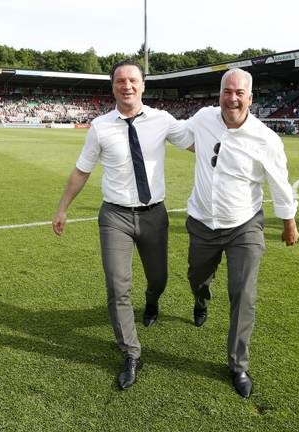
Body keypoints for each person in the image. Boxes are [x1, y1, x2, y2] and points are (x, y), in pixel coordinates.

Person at [52, 60, 191, 390]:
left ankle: (153, 301)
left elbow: (197, 143)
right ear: (112, 86)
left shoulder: (163, 120)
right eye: (119, 81)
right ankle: (131, 353)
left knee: (159, 279)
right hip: (114, 216)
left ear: (143, 85)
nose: (126, 86)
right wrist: (61, 209)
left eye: (132, 80)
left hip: (154, 214)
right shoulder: (100, 126)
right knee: (117, 287)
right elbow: (82, 171)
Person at [182, 68, 299, 398]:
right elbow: (180, 135)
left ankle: (238, 365)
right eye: (226, 91)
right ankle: (201, 300)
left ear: (250, 97)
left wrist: (288, 222)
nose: (232, 98)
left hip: (244, 225)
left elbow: (279, 181)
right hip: (203, 221)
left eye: (239, 93)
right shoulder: (203, 119)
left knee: (243, 293)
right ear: (219, 94)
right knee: (196, 277)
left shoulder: (266, 138)